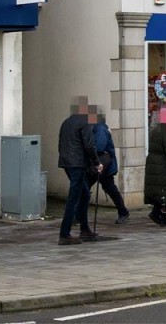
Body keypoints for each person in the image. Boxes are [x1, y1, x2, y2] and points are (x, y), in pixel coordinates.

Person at [57, 99, 102, 245]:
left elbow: (61, 142)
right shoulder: (85, 122)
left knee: (84, 194)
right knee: (74, 197)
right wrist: (97, 163)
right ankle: (64, 234)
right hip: (77, 164)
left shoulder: (66, 122)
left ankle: (85, 229)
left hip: (67, 162)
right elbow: (89, 145)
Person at [92, 118, 130, 224]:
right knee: (108, 188)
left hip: (104, 165)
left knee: (110, 188)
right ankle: (123, 211)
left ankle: (123, 212)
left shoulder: (99, 128)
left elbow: (99, 147)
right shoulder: (95, 127)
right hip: (101, 164)